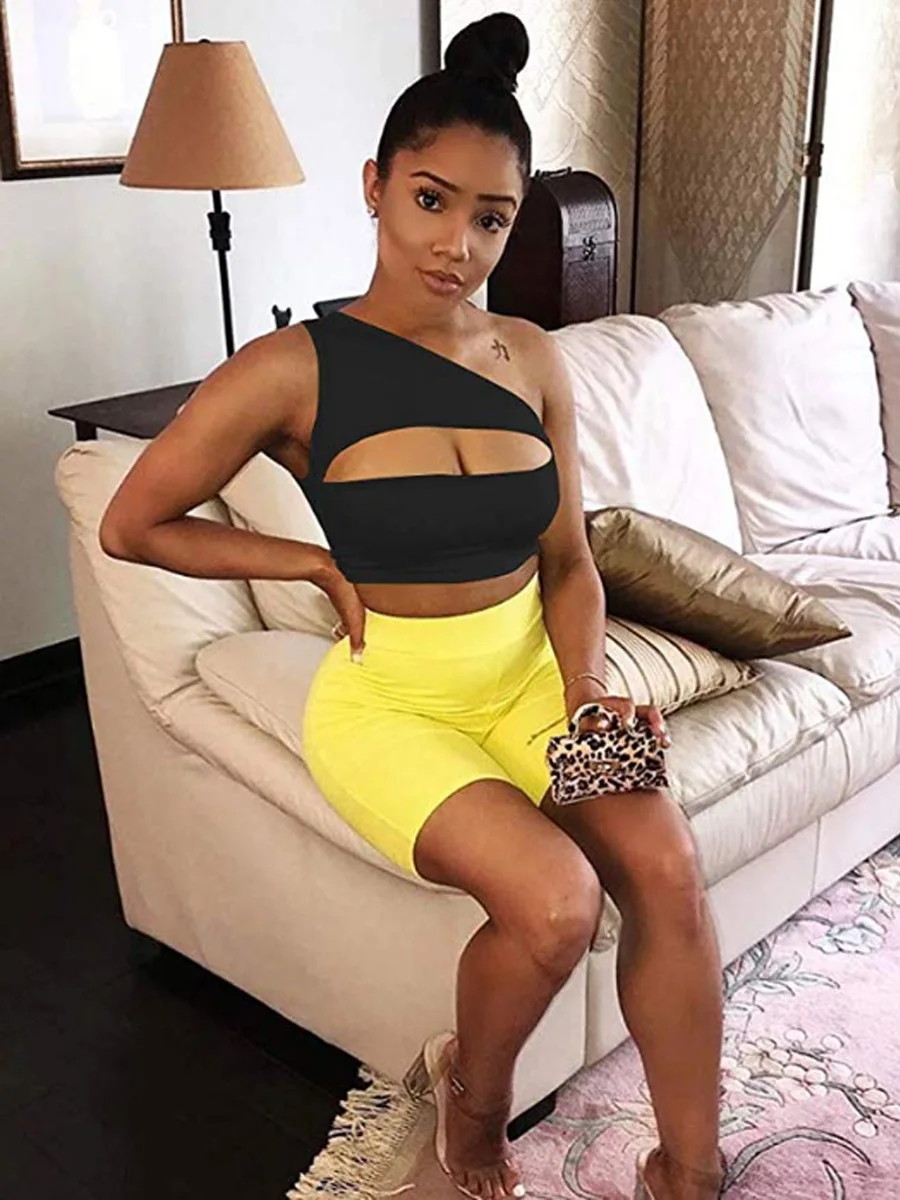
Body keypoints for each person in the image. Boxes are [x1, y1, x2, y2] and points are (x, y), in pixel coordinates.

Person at [98, 12, 725, 1200]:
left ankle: (691, 1173)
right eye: (432, 201)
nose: (459, 244)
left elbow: (569, 562)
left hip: (534, 677)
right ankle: (471, 1105)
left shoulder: (532, 356)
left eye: (491, 218)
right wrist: (311, 566)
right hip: (392, 702)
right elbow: (134, 523)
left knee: (668, 865)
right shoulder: (292, 367)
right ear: (375, 186)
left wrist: (587, 689)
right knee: (555, 902)